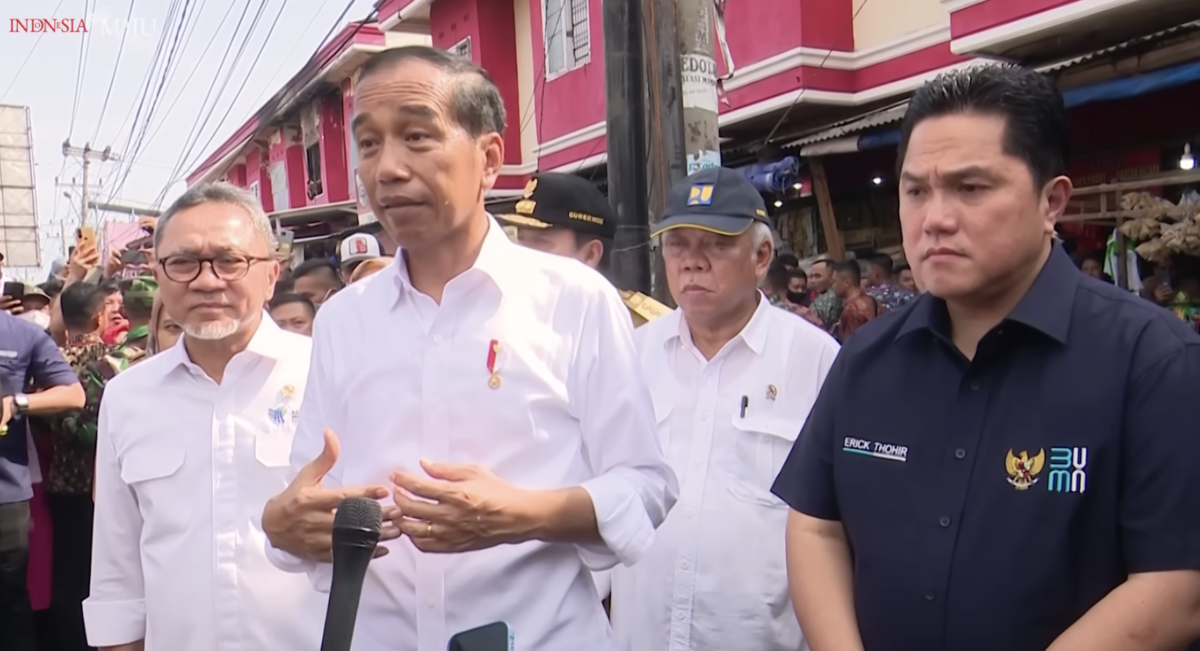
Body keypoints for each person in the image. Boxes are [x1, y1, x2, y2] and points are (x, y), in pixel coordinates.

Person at [260, 46, 677, 651]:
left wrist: (522, 514)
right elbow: (310, 495)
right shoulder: (344, 319)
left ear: (487, 159)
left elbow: (646, 483)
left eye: (417, 136)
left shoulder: (575, 300)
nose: (388, 169)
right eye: (369, 144)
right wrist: (283, 523)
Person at [772, 64, 1200, 651]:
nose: (936, 219)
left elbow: (1177, 586)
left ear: (1052, 201)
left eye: (971, 189)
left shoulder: (1152, 361)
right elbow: (817, 527)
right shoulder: (866, 358)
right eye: (916, 190)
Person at [84, 183, 325, 651]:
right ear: (159, 274)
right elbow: (118, 573)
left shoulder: (326, 374)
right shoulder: (127, 396)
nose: (207, 280)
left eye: (230, 260)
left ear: (272, 274)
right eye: (183, 262)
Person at [610, 167, 839, 651]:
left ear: (760, 256)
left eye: (715, 244)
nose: (692, 262)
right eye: (677, 245)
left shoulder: (817, 361)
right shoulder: (630, 355)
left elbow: (839, 525)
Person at [0, 311, 85, 651]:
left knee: (10, 602)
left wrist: (18, 403)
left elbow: (73, 394)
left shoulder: (22, 335)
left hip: (6, 492)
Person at [43, 282, 118, 651]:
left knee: (67, 573)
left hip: (60, 481)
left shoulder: (50, 360)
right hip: (102, 484)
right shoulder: (113, 360)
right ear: (99, 317)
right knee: (103, 574)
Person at [496, 172, 670, 326]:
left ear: (590, 254)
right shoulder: (504, 318)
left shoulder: (645, 330)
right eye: (522, 242)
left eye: (541, 244)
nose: (525, 257)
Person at [830, 261, 881, 341]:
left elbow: (851, 343)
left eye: (834, 282)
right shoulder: (872, 300)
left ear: (847, 283)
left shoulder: (851, 309)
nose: (833, 286)